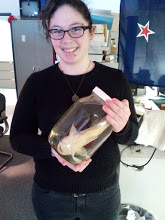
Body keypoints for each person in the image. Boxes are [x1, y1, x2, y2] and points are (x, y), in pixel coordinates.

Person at [9, 0, 139, 219]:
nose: (66, 39)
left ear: (91, 33)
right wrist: (56, 150)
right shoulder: (37, 83)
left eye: (76, 29)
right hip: (51, 195)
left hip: (103, 195)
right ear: (50, 36)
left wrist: (123, 126)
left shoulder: (115, 79)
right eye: (57, 31)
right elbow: (17, 138)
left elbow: (130, 136)